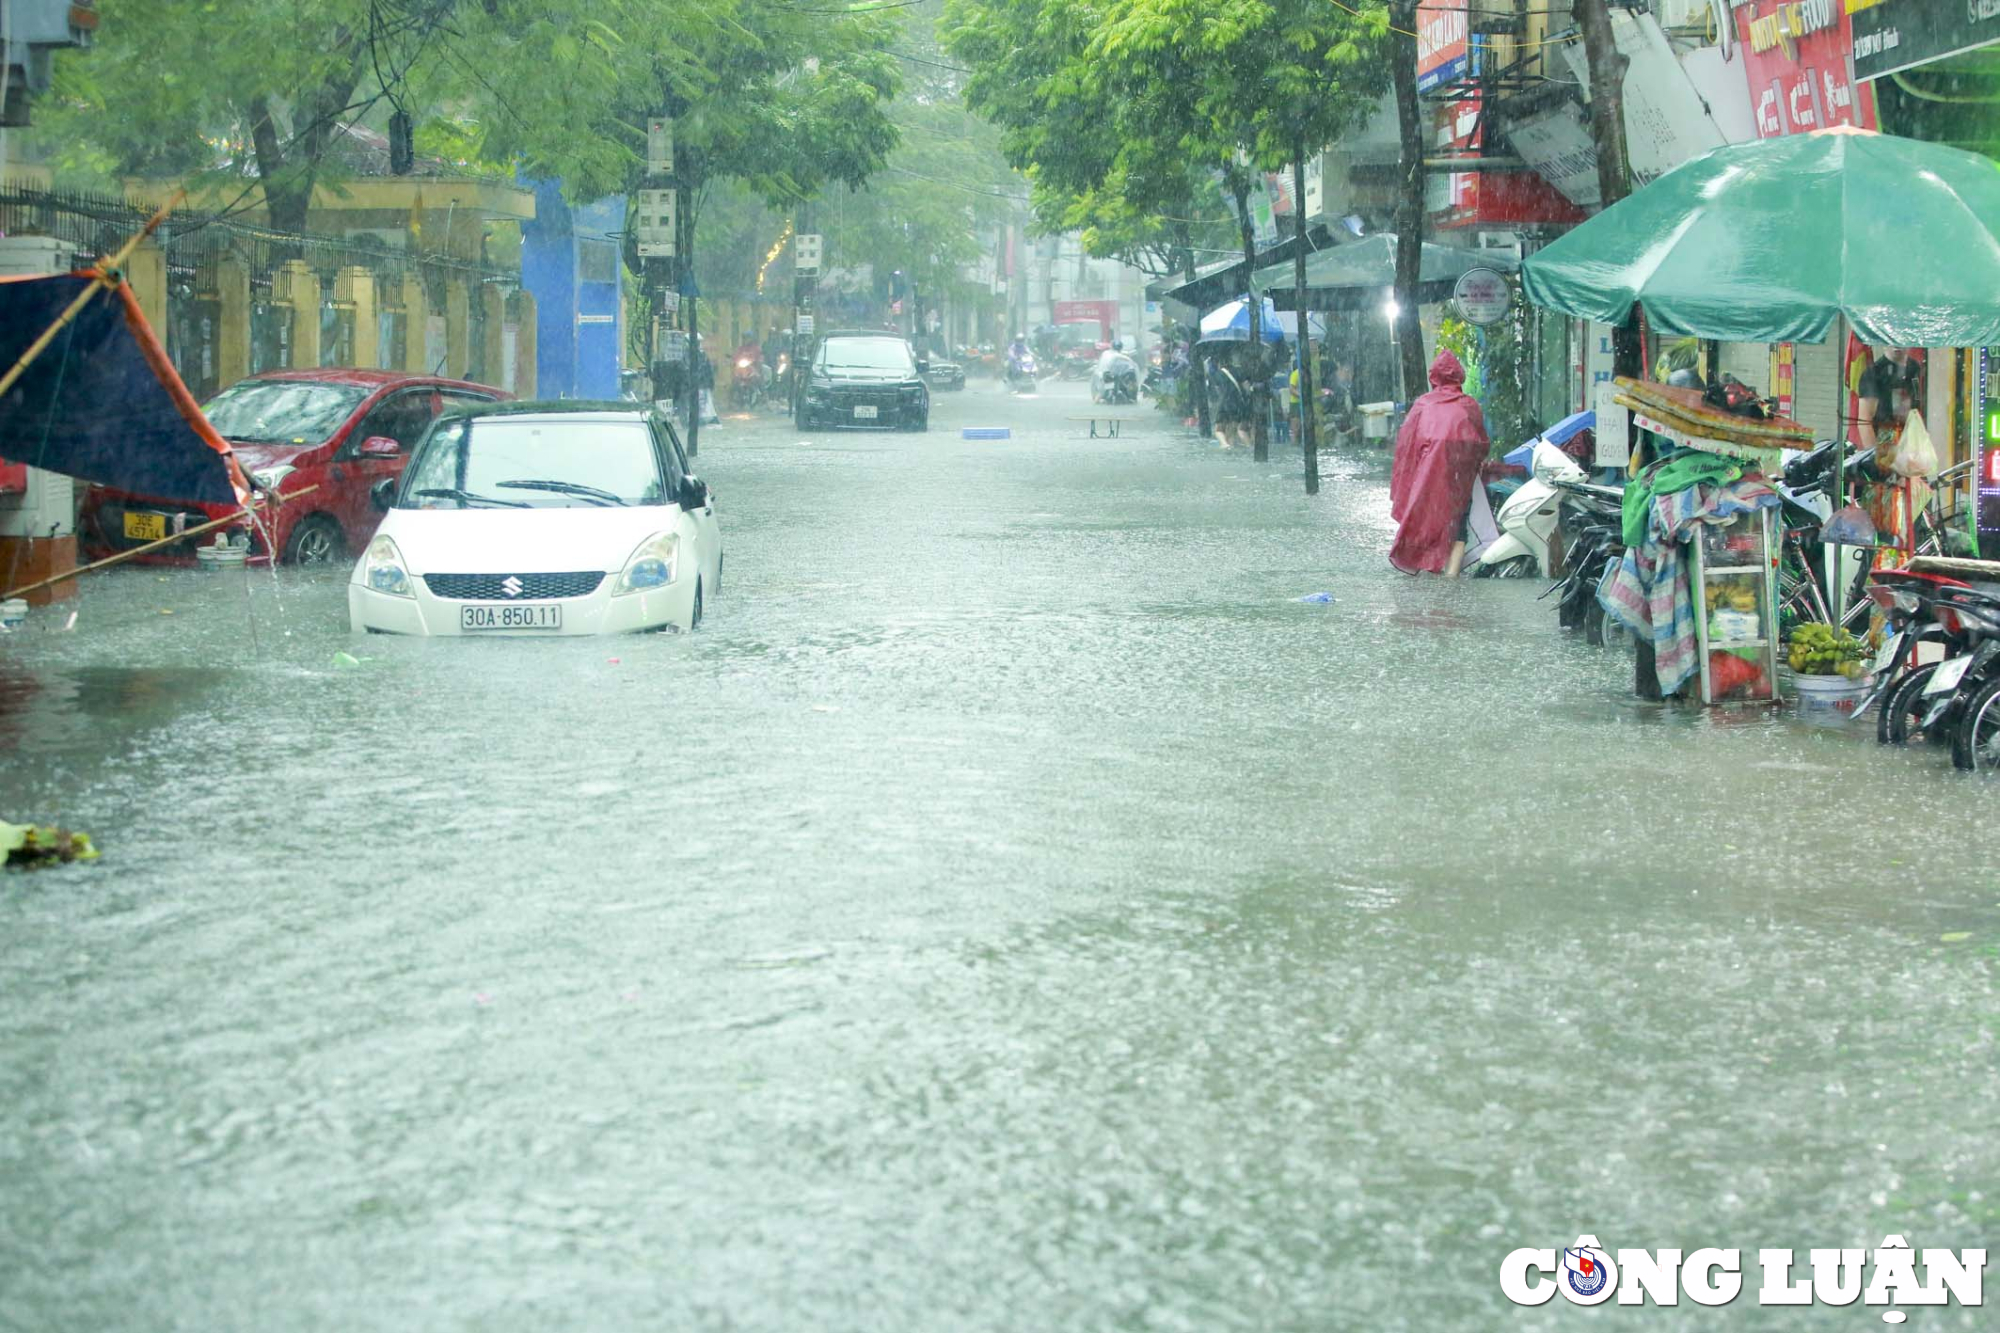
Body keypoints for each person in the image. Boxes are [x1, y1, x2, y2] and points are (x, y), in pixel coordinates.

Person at [1389, 350, 1490, 576]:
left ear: (1433, 377)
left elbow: (1406, 445)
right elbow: (1482, 442)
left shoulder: (1423, 405)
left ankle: (1424, 565)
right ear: (1459, 377)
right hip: (1459, 477)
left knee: (1424, 517)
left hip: (1427, 474)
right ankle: (1451, 580)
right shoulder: (1468, 405)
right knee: (1458, 522)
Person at [1208, 349, 1251, 449]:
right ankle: (1231, 447)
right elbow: (1247, 387)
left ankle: (1224, 444)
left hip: (1225, 403)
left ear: (1219, 363)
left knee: (1219, 430)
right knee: (1232, 430)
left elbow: (1218, 391)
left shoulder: (1217, 374)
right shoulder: (1239, 371)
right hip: (1238, 404)